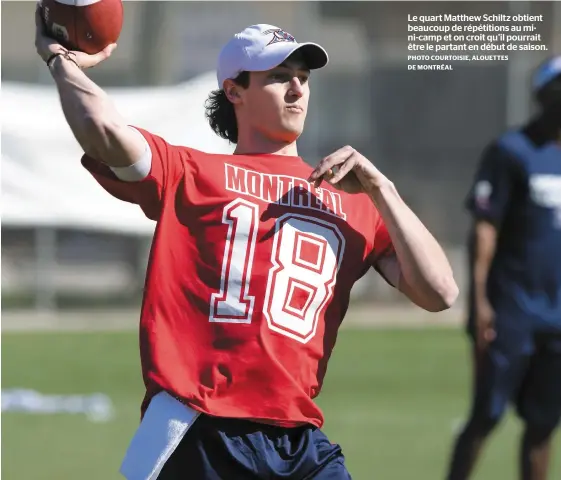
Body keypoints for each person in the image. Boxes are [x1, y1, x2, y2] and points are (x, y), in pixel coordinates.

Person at [35, 8, 458, 480]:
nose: (298, 88)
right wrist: (59, 60)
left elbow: (440, 293)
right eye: (279, 76)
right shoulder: (192, 173)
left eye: (303, 77)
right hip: (201, 427)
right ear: (234, 90)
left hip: (298, 439)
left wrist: (384, 189)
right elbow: (103, 132)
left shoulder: (354, 201)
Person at [445, 56, 561, 480]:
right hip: (513, 311)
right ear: (544, 95)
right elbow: (485, 232)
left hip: (558, 317)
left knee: (543, 425)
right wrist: (480, 304)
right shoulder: (512, 151)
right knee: (486, 416)